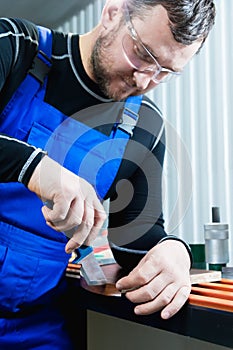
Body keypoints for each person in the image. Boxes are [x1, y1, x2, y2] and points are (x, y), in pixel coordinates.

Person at [0, 0, 215, 348]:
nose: (146, 79)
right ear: (113, 12)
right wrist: (36, 167)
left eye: (165, 71)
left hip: (35, 327)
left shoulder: (144, 126)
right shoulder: (14, 46)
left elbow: (135, 237)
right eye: (143, 53)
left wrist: (174, 251)